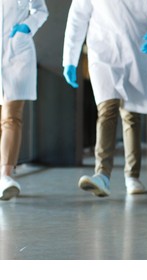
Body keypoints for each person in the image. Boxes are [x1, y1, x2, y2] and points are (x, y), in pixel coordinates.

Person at [62, 0, 147, 197]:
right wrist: (70, 59)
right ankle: (102, 175)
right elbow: (77, 17)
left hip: (136, 48)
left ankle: (132, 176)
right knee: (107, 109)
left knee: (132, 115)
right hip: (102, 50)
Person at [0, 0, 48, 201]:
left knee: (12, 117)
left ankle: (6, 177)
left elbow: (41, 11)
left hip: (16, 53)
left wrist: (27, 27)